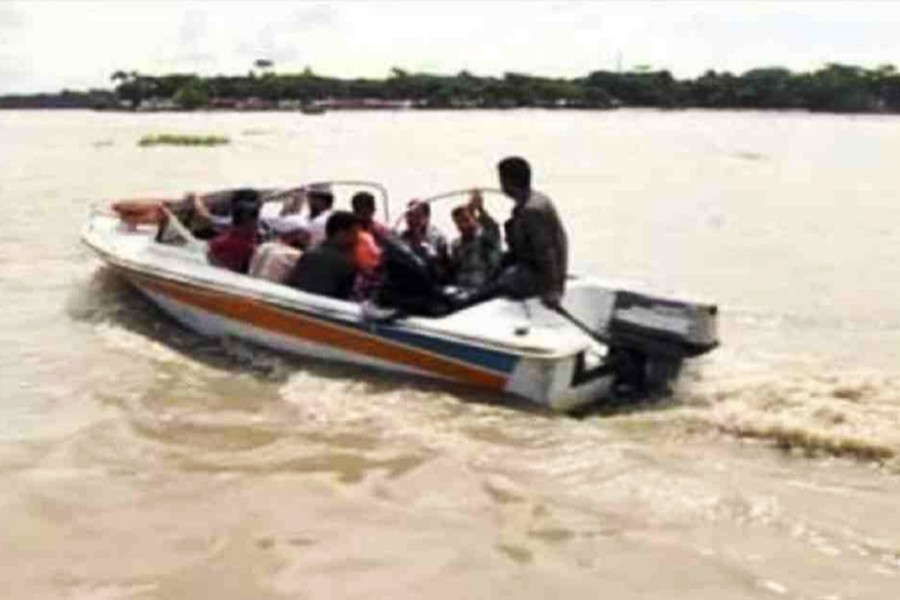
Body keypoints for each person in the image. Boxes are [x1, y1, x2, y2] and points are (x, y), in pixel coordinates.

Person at [496, 156, 568, 307]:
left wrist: (553, 290)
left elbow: (546, 251)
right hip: (534, 268)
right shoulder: (533, 201)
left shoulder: (532, 210)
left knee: (500, 283)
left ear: (508, 182)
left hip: (541, 276)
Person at [286, 211, 360, 299]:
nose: (357, 238)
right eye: (354, 233)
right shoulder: (346, 264)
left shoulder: (309, 254)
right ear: (341, 232)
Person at [449, 190, 502, 290]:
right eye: (459, 222)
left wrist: (480, 208)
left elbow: (493, 227)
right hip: (462, 287)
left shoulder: (486, 237)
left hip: (484, 285)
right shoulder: (456, 245)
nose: (463, 225)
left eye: (466, 220)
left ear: (474, 218)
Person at [207, 191, 261, 274]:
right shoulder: (247, 247)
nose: (257, 223)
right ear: (247, 221)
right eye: (255, 219)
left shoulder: (217, 241)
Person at [399, 199, 450, 283]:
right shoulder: (402, 237)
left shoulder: (437, 237)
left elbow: (442, 267)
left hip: (431, 282)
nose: (411, 219)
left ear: (427, 217)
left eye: (416, 215)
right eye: (409, 215)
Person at [269, 184, 334, 249]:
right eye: (310, 196)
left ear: (326, 201)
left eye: (317, 198)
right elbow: (277, 224)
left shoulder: (328, 220)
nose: (311, 200)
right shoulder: (300, 218)